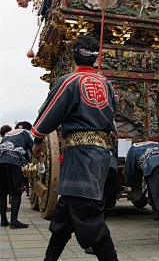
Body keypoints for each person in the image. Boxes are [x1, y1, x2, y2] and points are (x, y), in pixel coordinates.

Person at [31, 35, 119, 261]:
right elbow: (114, 107)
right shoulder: (106, 83)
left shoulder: (69, 81)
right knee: (63, 217)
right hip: (101, 155)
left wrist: (38, 138)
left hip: (81, 156)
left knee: (89, 215)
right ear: (96, 59)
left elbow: (51, 111)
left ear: (73, 56)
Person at [0, 121, 33, 228]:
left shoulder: (7, 134)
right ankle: (14, 221)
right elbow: (33, 148)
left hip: (1, 161)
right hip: (13, 162)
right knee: (16, 192)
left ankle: (3, 220)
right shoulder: (26, 133)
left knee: (2, 193)